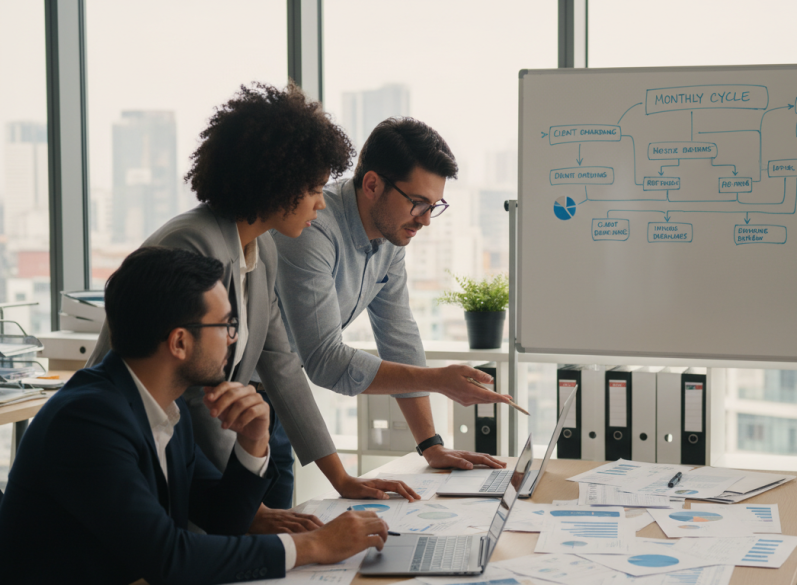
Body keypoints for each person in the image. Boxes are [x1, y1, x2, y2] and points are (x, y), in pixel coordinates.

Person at [86, 83, 504, 527]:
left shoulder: (261, 250)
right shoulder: (199, 244)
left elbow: (283, 363)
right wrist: (247, 506)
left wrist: (344, 476)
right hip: (135, 437)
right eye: (314, 188)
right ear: (278, 183)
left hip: (226, 424)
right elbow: (195, 392)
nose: (321, 202)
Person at [0, 247, 391, 584]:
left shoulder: (165, 406)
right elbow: (168, 559)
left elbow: (222, 521)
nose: (233, 339)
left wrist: (253, 443)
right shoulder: (88, 420)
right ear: (180, 342)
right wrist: (311, 546)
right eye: (226, 325)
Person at [273, 117, 511, 469]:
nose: (426, 219)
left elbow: (399, 334)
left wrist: (431, 446)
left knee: (277, 518)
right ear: (372, 185)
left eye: (434, 206)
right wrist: (437, 380)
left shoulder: (391, 237)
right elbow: (324, 359)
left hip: (278, 394)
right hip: (227, 389)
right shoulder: (313, 229)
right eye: (418, 202)